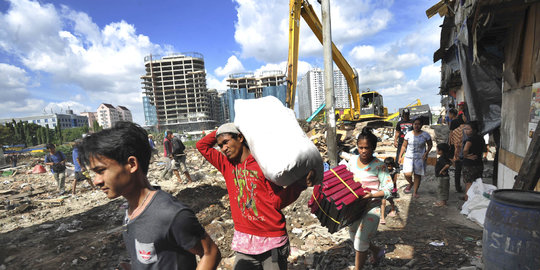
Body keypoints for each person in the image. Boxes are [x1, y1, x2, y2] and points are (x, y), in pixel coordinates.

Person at [77, 121, 221, 270]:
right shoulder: (130, 210)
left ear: (132, 164)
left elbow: (210, 253)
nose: (96, 181)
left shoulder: (170, 214)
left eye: (101, 171)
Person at [196, 123, 313, 270]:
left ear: (239, 137)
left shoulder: (262, 164)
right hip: (244, 242)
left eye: (226, 142)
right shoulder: (226, 164)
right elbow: (202, 146)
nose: (223, 148)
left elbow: (276, 201)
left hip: (271, 240)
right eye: (220, 145)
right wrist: (226, 128)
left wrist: (298, 186)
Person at [347, 127, 393, 270]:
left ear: (373, 147)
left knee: (360, 242)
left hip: (372, 208)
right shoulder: (352, 161)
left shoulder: (380, 166)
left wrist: (372, 195)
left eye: (367, 147)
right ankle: (377, 250)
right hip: (354, 207)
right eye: (360, 147)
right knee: (354, 237)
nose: (363, 151)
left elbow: (389, 188)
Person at [399, 118, 433, 198]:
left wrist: (426, 153)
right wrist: (400, 156)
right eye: (415, 124)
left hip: (420, 158)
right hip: (408, 157)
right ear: (413, 125)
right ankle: (411, 183)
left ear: (421, 125)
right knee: (407, 173)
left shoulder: (425, 135)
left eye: (418, 124)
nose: (416, 126)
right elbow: (404, 146)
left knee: (417, 175)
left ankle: (415, 191)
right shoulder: (408, 134)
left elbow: (430, 145)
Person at [462, 121, 485, 201]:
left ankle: (467, 201)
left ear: (474, 130)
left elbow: (465, 150)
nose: (465, 131)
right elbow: (484, 149)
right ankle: (476, 201)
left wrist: (466, 156)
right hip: (479, 163)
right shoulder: (481, 138)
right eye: (465, 129)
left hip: (469, 165)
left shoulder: (470, 139)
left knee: (468, 184)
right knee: (478, 183)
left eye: (468, 129)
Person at [448, 109, 464, 193]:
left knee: (458, 169)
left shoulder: (454, 124)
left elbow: (451, 134)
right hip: (465, 150)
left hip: (457, 148)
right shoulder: (468, 128)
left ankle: (458, 187)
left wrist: (450, 142)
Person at [380, 157, 398, 225]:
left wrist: (389, 185)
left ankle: (393, 209)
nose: (388, 167)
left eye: (389, 166)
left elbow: (394, 181)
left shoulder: (394, 172)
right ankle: (382, 217)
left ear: (392, 165)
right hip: (384, 188)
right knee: (383, 201)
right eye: (387, 165)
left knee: (390, 200)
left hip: (391, 189)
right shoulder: (383, 171)